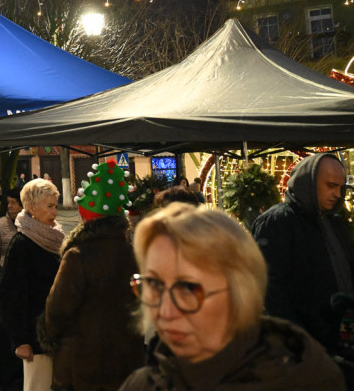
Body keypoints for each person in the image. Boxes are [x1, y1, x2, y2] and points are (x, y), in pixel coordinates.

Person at [120, 202, 343, 390]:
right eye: (154, 285)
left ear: (239, 292)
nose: (165, 311)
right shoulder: (141, 384)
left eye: (188, 288)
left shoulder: (308, 379)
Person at [39, 159, 143, 391]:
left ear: (85, 216)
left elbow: (57, 310)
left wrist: (49, 335)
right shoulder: (134, 252)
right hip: (128, 360)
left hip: (84, 363)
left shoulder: (78, 255)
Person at [252, 152, 354, 356]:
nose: (337, 194)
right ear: (309, 182)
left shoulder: (334, 219)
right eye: (331, 186)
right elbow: (271, 288)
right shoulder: (278, 221)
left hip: (339, 338)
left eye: (340, 188)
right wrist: (299, 340)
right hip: (306, 344)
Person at [0, 177, 64, 391]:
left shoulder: (54, 238)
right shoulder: (22, 244)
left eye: (56, 205)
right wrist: (20, 340)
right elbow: (11, 295)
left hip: (55, 333)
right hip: (35, 339)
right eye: (50, 206)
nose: (55, 212)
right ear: (32, 207)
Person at [0, 187, 22, 267]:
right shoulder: (1, 223)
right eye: (8, 202)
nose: (9, 206)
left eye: (13, 202)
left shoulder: (30, 223)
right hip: (5, 267)